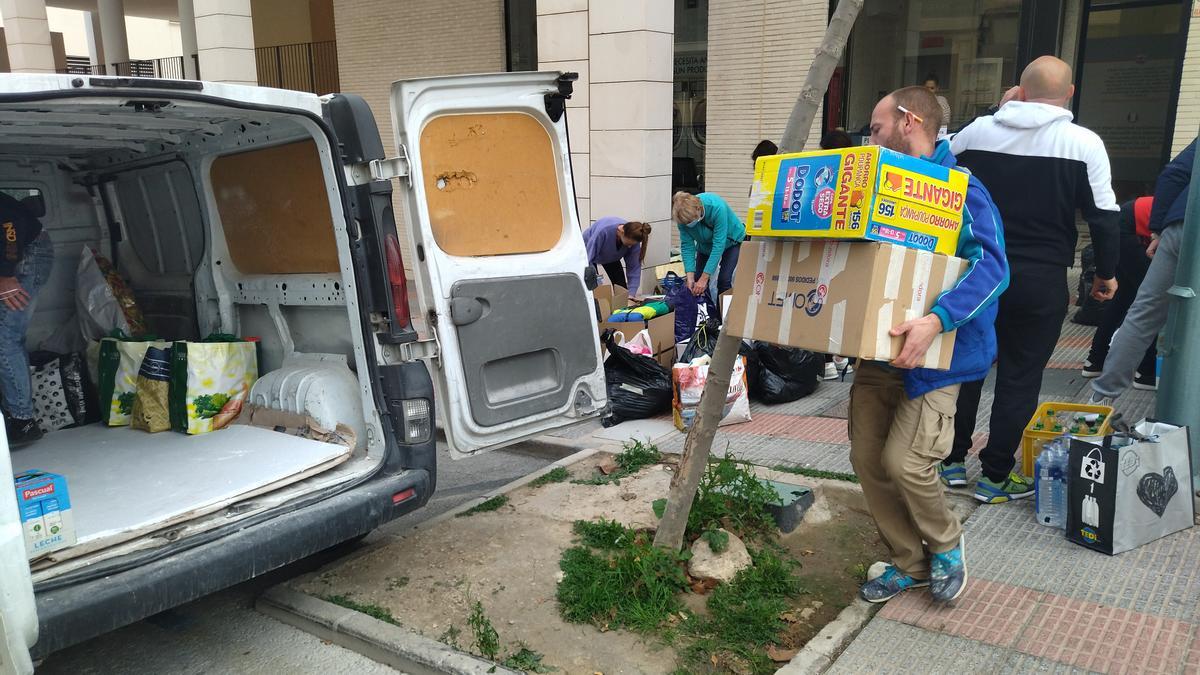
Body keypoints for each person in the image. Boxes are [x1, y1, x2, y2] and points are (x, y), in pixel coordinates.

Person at [852, 86, 1008, 604]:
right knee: (869, 460)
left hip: (942, 354)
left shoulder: (960, 190)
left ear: (908, 121)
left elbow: (993, 268)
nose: (869, 140)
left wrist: (937, 321)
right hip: (879, 350)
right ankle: (909, 561)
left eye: (875, 129)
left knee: (906, 463)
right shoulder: (877, 188)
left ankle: (946, 544)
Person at [941, 55, 1120, 503]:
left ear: (1018, 90)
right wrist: (1106, 274)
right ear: (1071, 93)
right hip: (1040, 278)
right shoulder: (1084, 143)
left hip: (976, 272)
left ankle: (951, 462)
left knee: (967, 368)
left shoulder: (977, 133)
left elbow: (941, 176)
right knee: (1021, 376)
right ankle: (996, 477)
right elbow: (1104, 216)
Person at [1090, 138, 1195, 404]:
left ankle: (1098, 403)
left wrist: (1159, 228)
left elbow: (1173, 175)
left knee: (1143, 313)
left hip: (1181, 225)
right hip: (1172, 224)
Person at [1081, 196, 1158, 389]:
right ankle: (1146, 372)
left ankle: (1095, 361)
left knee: (1125, 298)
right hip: (1129, 226)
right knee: (1154, 302)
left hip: (1130, 221)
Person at [0, 192, 54, 447]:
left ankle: (23, 420)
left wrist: (5, 273)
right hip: (13, 257)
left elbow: (10, 225)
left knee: (4, 338)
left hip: (27, 255)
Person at [672, 191, 745, 321]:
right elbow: (687, 246)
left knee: (724, 280)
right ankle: (707, 318)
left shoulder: (717, 208)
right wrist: (690, 276)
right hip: (704, 245)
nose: (689, 225)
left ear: (698, 209)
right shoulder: (682, 217)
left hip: (730, 241)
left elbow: (719, 244)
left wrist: (705, 278)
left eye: (691, 221)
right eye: (686, 223)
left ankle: (726, 321)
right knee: (696, 282)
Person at [818, 129, 854, 380]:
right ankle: (844, 359)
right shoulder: (860, 173)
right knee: (845, 304)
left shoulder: (825, 174)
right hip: (852, 251)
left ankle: (829, 361)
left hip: (828, 249)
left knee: (823, 303)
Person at [582, 217, 652, 301]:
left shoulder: (633, 239)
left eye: (632, 245)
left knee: (622, 290)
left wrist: (631, 294)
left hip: (611, 256)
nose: (629, 247)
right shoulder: (604, 231)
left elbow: (634, 267)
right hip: (589, 253)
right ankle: (598, 309)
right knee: (595, 288)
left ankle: (620, 308)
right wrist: (596, 280)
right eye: (628, 244)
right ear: (622, 232)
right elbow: (589, 258)